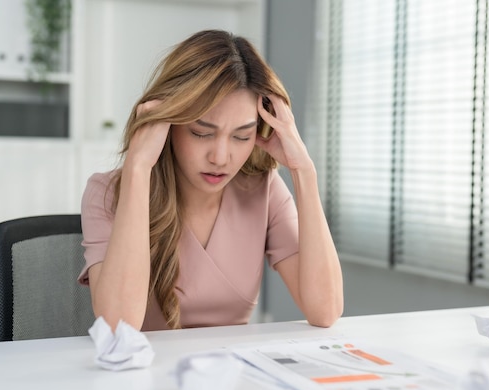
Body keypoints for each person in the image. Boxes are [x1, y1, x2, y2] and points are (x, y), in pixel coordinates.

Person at [77, 29, 343, 331]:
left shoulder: (264, 191)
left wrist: (304, 171)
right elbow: (117, 327)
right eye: (201, 133)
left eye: (241, 136)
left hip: (229, 371)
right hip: (143, 374)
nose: (220, 157)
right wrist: (139, 168)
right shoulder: (107, 192)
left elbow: (326, 310)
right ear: (169, 123)